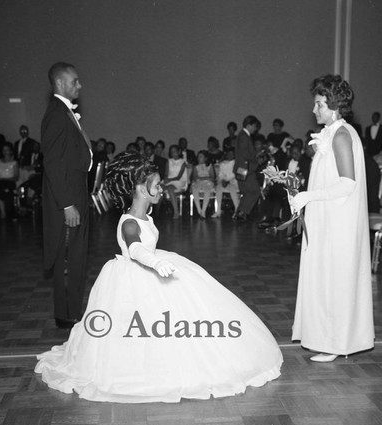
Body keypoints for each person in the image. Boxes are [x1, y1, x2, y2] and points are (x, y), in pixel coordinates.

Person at [35, 152, 282, 402]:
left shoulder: (145, 216)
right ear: (142, 189)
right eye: (156, 185)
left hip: (152, 266)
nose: (161, 189)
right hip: (136, 277)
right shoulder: (129, 223)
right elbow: (135, 248)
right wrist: (154, 262)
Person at [290, 74, 374, 362]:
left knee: (334, 278)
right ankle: (327, 337)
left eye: (319, 104)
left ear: (334, 105)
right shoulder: (334, 132)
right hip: (328, 218)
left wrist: (309, 196)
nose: (314, 110)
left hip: (338, 223)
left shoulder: (340, 135)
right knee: (326, 277)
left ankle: (336, 342)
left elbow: (347, 183)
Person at [41, 62, 92, 329]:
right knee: (68, 256)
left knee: (76, 256)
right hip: (68, 198)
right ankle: (66, 314)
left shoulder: (65, 112)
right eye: (75, 81)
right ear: (60, 84)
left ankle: (73, 310)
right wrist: (67, 204)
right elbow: (53, 163)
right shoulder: (57, 115)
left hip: (76, 192)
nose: (79, 86)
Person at [233, 115, 260, 222]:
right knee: (255, 191)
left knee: (247, 192)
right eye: (255, 126)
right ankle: (242, 212)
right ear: (249, 125)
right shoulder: (244, 136)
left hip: (241, 168)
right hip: (246, 168)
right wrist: (255, 159)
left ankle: (239, 213)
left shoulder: (241, 135)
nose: (255, 129)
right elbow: (245, 154)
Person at [212, 148, 240, 218]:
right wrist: (223, 180)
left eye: (232, 154)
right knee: (218, 188)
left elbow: (234, 173)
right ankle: (218, 211)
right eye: (229, 154)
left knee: (232, 189)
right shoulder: (222, 163)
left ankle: (237, 210)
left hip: (234, 182)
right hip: (224, 182)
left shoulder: (237, 163)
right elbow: (220, 174)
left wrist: (227, 180)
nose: (230, 155)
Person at [191, 150, 215, 218]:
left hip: (208, 183)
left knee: (207, 191)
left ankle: (203, 210)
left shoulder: (210, 166)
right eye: (198, 157)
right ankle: (199, 210)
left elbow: (212, 177)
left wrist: (203, 178)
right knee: (195, 190)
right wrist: (205, 178)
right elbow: (195, 178)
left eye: (201, 157)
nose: (199, 158)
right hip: (198, 182)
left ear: (206, 158)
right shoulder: (196, 167)